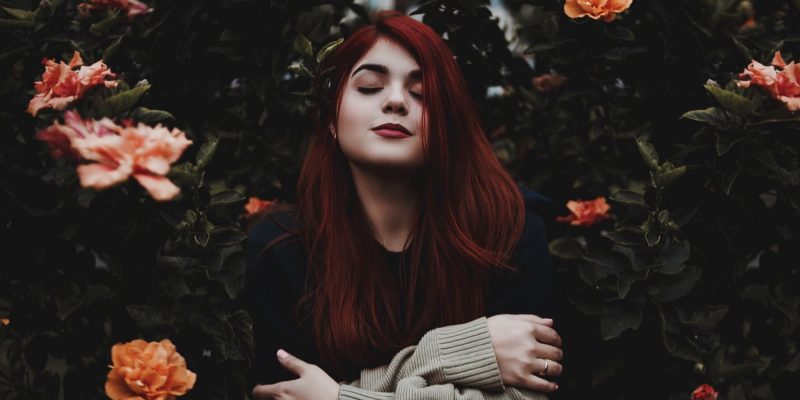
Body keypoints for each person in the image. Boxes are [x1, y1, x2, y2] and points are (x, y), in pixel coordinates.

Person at [244, 10, 564, 400]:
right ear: (331, 117)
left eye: (421, 93)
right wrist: (464, 350)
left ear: (447, 125)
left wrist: (340, 396)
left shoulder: (508, 232)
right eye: (370, 87)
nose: (396, 101)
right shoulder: (282, 250)